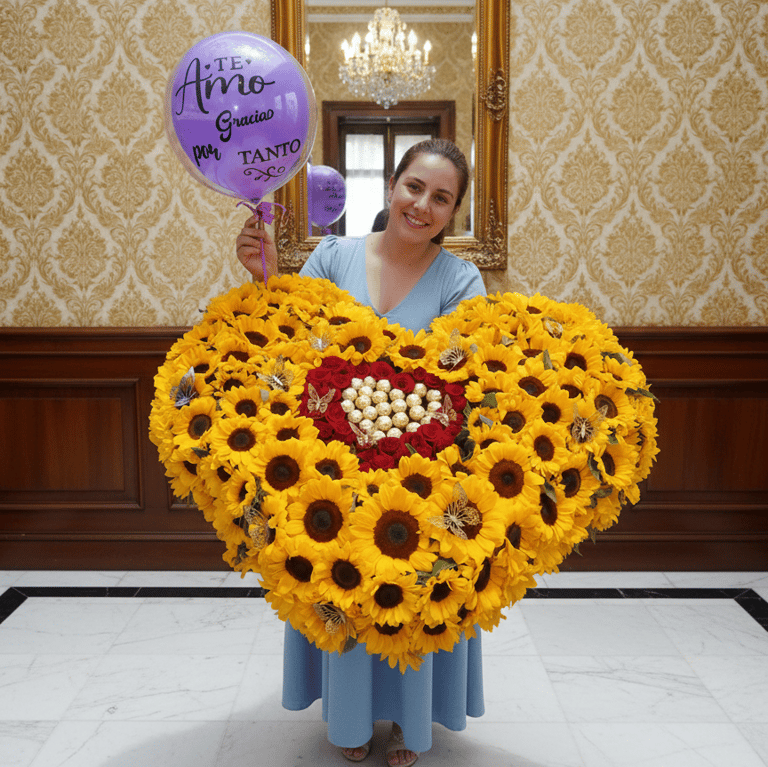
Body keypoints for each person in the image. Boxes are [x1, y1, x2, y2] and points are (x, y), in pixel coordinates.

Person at [236, 139, 487, 767]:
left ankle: (409, 722)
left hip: (421, 474)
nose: (422, 205)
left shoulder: (462, 279)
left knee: (416, 587)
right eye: (414, 187)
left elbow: (461, 380)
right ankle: (348, 716)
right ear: (391, 187)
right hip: (330, 468)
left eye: (440, 198)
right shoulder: (332, 254)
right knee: (342, 585)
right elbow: (292, 339)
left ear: (452, 213)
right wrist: (265, 278)